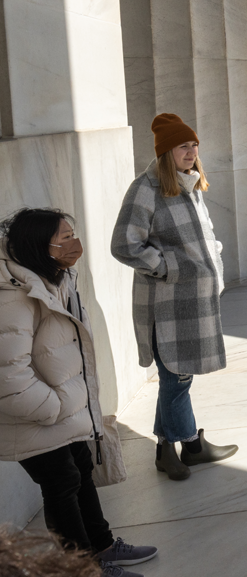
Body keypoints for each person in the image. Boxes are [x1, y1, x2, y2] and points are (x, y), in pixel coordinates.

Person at [1, 209, 159, 576]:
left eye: (74, 233)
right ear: (39, 245)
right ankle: (83, 568)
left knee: (81, 470)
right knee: (61, 484)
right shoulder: (13, 294)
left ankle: (101, 547)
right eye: (65, 237)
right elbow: (8, 375)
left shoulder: (57, 278)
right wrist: (53, 408)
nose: (75, 244)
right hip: (37, 414)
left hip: (63, 408)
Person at [111, 113, 238, 482]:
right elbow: (124, 244)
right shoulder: (146, 188)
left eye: (194, 144)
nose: (192, 151)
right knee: (176, 378)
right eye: (183, 145)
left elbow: (201, 237)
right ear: (166, 151)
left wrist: (213, 258)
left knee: (178, 376)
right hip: (166, 303)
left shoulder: (191, 185)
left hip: (195, 303)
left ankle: (168, 449)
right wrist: (168, 267)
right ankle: (190, 447)